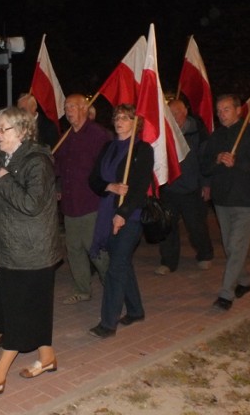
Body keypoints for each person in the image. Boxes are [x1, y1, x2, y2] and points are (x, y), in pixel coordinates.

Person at [0, 106, 61, 395]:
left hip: (33, 253)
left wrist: (4, 179)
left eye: (2, 129)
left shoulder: (37, 162)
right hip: (12, 251)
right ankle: (47, 357)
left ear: (22, 131)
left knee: (17, 314)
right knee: (32, 308)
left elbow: (31, 204)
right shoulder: (8, 160)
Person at [201, 95, 250, 311]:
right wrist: (216, 160)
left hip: (245, 199)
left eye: (226, 109)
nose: (222, 114)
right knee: (231, 247)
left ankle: (226, 294)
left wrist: (238, 162)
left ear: (238, 110)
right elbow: (205, 167)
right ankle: (244, 280)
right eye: (219, 110)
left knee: (235, 246)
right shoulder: (216, 137)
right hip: (222, 200)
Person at [88, 104, 153, 338]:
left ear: (136, 123)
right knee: (122, 263)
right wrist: (109, 186)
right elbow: (93, 179)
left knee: (115, 268)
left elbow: (138, 188)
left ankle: (108, 323)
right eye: (117, 117)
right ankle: (135, 311)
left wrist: (122, 214)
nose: (119, 121)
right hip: (107, 213)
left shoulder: (142, 150)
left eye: (125, 118)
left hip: (130, 216)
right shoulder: (108, 147)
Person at [54, 94, 112, 304]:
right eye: (66, 106)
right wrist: (57, 183)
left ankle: (112, 284)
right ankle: (82, 289)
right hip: (70, 205)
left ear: (84, 109)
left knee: (95, 249)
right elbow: (59, 166)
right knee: (74, 250)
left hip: (90, 203)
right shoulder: (66, 136)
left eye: (72, 106)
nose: (68, 110)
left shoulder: (97, 135)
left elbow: (107, 168)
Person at [155, 99, 214, 275]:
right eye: (170, 113)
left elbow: (205, 159)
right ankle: (168, 261)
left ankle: (204, 255)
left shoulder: (197, 132)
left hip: (191, 188)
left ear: (185, 112)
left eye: (176, 113)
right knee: (168, 227)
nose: (173, 117)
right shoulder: (163, 132)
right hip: (169, 188)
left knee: (196, 226)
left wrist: (206, 184)